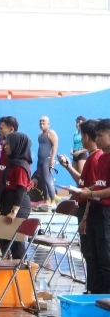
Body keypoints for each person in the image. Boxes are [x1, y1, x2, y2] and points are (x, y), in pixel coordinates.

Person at [60, 119, 101, 293]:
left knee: (92, 254)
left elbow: (92, 190)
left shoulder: (96, 158)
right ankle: (91, 289)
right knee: (88, 253)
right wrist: (68, 167)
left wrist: (84, 217)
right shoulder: (91, 158)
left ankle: (94, 291)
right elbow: (82, 184)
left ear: (85, 136)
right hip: (84, 207)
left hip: (88, 210)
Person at [75, 119, 110, 293]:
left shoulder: (101, 158)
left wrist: (90, 194)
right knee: (94, 257)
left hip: (105, 212)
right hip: (96, 211)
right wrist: (84, 192)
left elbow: (102, 190)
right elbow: (98, 185)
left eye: (100, 136)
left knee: (105, 259)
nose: (97, 139)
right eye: (96, 135)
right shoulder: (102, 157)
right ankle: (95, 295)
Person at [0, 132, 34, 259]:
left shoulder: (21, 166)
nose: (5, 146)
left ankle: (21, 271)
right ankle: (9, 271)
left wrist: (14, 211)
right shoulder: (12, 163)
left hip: (17, 205)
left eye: (8, 144)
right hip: (6, 202)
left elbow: (21, 190)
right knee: (3, 239)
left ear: (16, 145)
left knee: (16, 243)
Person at [35, 116, 58, 208]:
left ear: (49, 123)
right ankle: (46, 200)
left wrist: (52, 158)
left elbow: (55, 145)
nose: (41, 123)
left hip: (47, 160)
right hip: (40, 160)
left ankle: (53, 201)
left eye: (44, 122)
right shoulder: (39, 135)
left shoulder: (51, 133)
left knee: (48, 180)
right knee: (42, 181)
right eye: (40, 122)